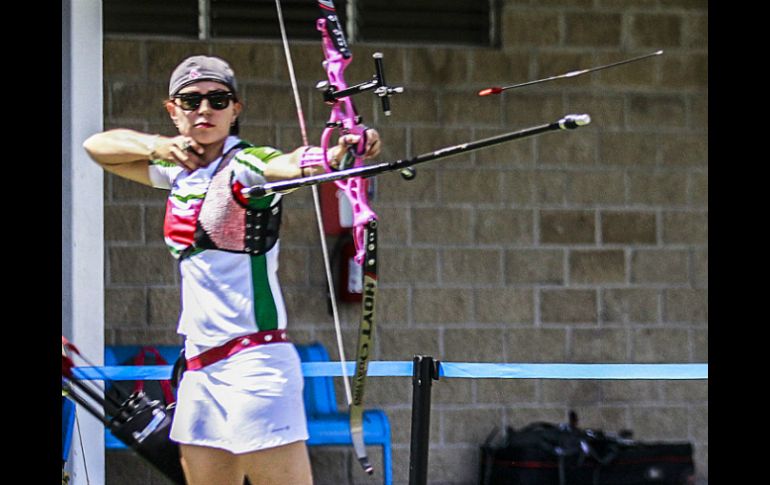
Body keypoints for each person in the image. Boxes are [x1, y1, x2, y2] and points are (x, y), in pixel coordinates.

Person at [83, 55, 381, 485]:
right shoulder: (176, 171)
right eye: (191, 100)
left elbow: (293, 163)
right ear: (173, 109)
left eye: (218, 99)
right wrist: (156, 145)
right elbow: (97, 148)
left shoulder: (246, 164)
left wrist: (340, 151)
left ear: (235, 109)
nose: (205, 109)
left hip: (254, 364)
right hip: (199, 370)